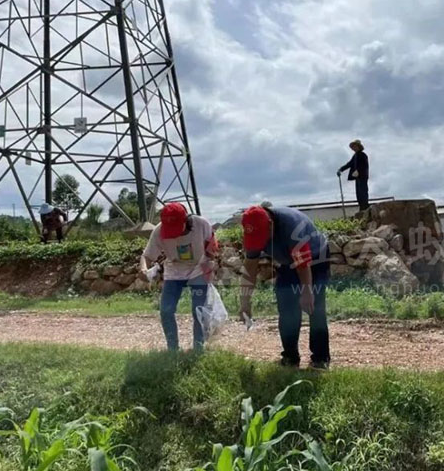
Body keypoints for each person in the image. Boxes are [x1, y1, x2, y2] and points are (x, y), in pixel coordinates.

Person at [239, 204, 330, 369]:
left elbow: (303, 264)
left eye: (264, 237)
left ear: (271, 225)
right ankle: (290, 357)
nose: (263, 243)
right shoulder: (254, 229)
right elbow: (250, 267)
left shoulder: (292, 226)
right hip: (287, 262)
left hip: (316, 259)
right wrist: (245, 301)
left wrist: (307, 291)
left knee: (314, 308)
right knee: (287, 308)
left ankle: (320, 358)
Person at [140, 202, 217, 352]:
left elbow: (212, 247)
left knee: (198, 309)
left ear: (186, 220)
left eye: (176, 228)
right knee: (166, 310)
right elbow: (147, 255)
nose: (173, 234)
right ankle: (172, 350)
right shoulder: (159, 231)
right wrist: (143, 269)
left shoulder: (201, 224)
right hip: (174, 270)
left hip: (199, 268)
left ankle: (198, 349)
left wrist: (210, 266)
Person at [337, 139, 370, 211]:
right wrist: (341, 169)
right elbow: (349, 164)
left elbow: (364, 166)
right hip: (357, 177)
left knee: (363, 192)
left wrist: (359, 171)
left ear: (358, 147)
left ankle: (365, 207)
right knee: (358, 193)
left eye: (355, 146)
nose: (354, 148)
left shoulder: (363, 155)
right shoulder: (355, 156)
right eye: (353, 147)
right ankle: (362, 207)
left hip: (362, 176)